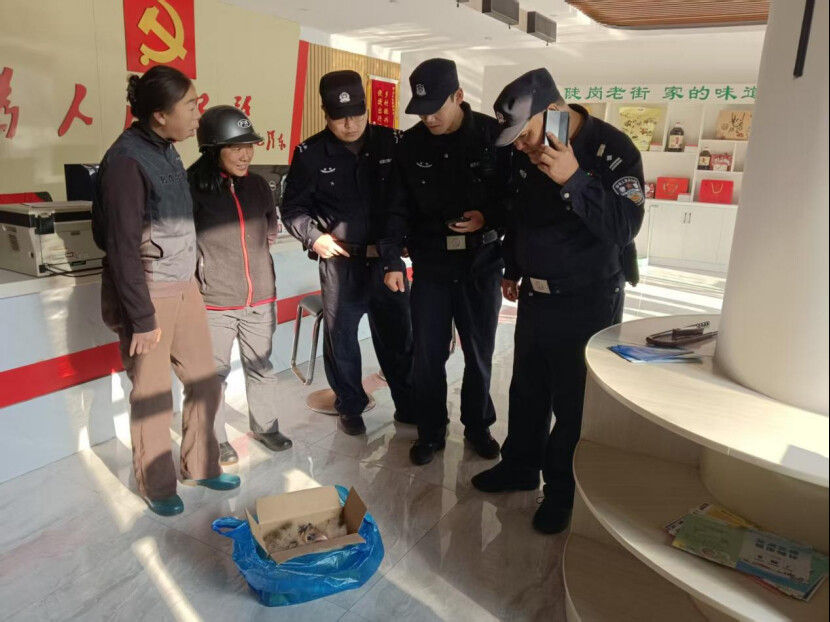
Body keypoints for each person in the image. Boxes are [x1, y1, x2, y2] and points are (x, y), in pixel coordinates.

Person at [471, 68, 644, 534]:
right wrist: (513, 267)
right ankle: (520, 466)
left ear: (553, 111)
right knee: (527, 389)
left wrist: (575, 178)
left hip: (588, 299)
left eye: (525, 135)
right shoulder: (526, 152)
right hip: (535, 294)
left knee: (572, 402)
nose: (522, 147)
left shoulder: (612, 149)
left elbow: (625, 227)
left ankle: (561, 492)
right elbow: (518, 214)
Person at [94, 66, 240, 517]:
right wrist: (141, 318)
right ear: (159, 114)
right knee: (153, 394)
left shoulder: (167, 150)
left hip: (183, 285)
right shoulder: (126, 162)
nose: (198, 114)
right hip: (149, 291)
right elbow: (121, 247)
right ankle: (157, 485)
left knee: (204, 379)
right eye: (191, 106)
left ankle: (201, 465)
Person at [381, 58, 505, 466]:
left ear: (458, 96)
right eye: (421, 111)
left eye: (436, 108)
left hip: (480, 263)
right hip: (432, 264)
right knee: (428, 354)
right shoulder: (410, 144)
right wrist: (391, 259)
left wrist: (489, 218)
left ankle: (478, 426)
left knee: (479, 351)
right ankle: (431, 431)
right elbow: (396, 207)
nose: (429, 118)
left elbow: (513, 197)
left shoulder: (492, 136)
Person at [281, 70, 414, 436]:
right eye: (340, 118)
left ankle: (408, 403)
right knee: (341, 340)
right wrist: (313, 237)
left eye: (357, 114)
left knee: (398, 337)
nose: (350, 124)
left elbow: (408, 199)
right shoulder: (310, 154)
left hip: (388, 262)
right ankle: (350, 406)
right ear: (326, 115)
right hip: (340, 263)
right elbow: (292, 209)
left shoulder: (393, 143)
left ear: (367, 109)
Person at [188, 105, 293, 466]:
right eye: (236, 147)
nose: (246, 154)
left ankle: (265, 427)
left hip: (259, 296)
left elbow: (270, 228)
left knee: (262, 366)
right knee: (213, 376)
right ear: (213, 149)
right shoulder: (192, 188)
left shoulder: (259, 185)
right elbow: (184, 245)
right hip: (215, 301)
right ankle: (215, 438)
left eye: (249, 146)